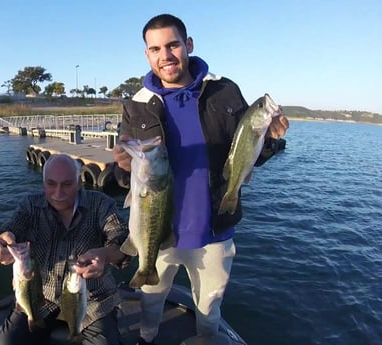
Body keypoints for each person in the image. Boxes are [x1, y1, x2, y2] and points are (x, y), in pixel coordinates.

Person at [112, 14, 290, 345]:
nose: (165, 56)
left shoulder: (224, 90)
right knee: (151, 301)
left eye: (172, 45)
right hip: (158, 231)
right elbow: (126, 178)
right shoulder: (136, 105)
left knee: (209, 309)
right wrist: (122, 168)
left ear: (188, 45)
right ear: (147, 55)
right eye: (155, 49)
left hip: (216, 230)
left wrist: (270, 141)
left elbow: (247, 154)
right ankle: (145, 339)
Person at [0, 154, 129, 345]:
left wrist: (105, 254)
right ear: (43, 182)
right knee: (6, 342)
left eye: (67, 184)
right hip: (40, 295)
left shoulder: (101, 204)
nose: (58, 193)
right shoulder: (30, 205)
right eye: (51, 184)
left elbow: (123, 241)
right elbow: (12, 228)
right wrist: (2, 241)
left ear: (79, 182)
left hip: (92, 298)